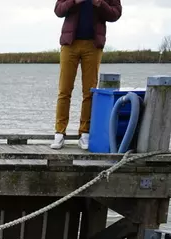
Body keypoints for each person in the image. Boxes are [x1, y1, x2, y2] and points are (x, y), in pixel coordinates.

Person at [51, 0, 123, 150]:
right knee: (64, 90)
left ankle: (84, 133)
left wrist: (100, 3)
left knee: (89, 92)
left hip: (93, 45)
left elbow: (115, 13)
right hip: (69, 44)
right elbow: (58, 10)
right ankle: (59, 133)